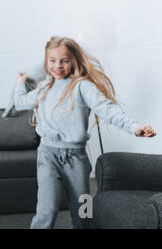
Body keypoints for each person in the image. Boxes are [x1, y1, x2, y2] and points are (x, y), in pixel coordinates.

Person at [15, 36, 156, 229]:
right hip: (47, 155)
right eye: (52, 61)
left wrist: (134, 127)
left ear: (73, 60)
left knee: (83, 208)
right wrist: (20, 83)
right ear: (46, 62)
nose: (58, 66)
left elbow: (108, 109)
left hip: (76, 158)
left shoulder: (82, 86)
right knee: (46, 209)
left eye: (64, 60)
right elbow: (20, 102)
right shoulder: (44, 87)